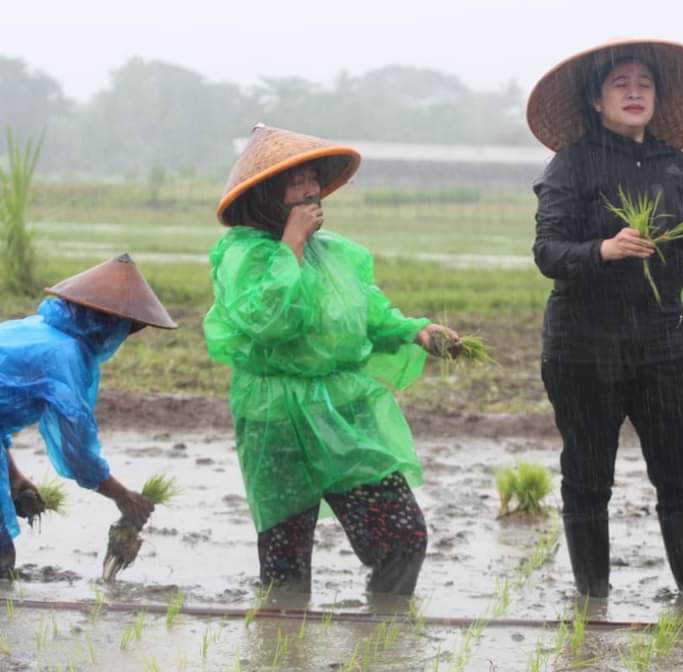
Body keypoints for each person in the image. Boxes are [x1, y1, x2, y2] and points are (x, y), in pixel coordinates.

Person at [204, 124, 459, 598]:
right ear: (264, 193)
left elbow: (365, 312)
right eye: (294, 181)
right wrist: (291, 247)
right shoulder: (245, 257)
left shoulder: (335, 253)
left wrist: (415, 330)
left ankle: (382, 639)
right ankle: (282, 656)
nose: (308, 191)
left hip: (343, 408)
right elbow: (272, 321)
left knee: (403, 537)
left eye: (312, 179)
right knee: (286, 557)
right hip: (275, 417)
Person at [527, 40, 683, 598]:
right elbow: (548, 252)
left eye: (643, 82)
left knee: (680, 479)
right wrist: (604, 249)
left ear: (657, 96)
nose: (634, 91)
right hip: (583, 349)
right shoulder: (571, 164)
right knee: (588, 480)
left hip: (662, 345)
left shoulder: (677, 166)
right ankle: (592, 600)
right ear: (597, 100)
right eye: (620, 83)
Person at [0, 254, 176, 577]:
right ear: (107, 326)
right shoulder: (64, 355)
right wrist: (124, 497)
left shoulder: (37, 330)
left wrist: (14, 478)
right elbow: (77, 449)